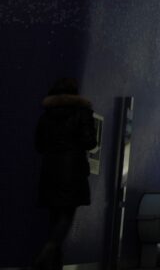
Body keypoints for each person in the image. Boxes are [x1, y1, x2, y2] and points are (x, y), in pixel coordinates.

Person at [33, 78, 97, 270]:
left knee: (54, 216)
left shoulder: (46, 115)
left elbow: (39, 144)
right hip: (72, 169)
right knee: (66, 215)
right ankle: (49, 248)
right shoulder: (82, 112)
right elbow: (90, 142)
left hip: (50, 169)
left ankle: (54, 263)